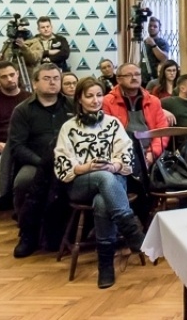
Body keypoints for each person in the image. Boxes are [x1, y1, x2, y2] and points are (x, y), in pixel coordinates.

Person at [54, 77, 145, 289]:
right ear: (79, 99)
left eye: (98, 95)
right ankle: (132, 231)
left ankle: (106, 265)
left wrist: (113, 166)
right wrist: (85, 168)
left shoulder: (113, 124)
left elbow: (127, 156)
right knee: (103, 178)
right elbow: (61, 164)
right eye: (89, 96)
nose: (95, 100)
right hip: (80, 183)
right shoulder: (68, 127)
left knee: (103, 200)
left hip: (113, 180)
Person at [8, 63, 73, 258]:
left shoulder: (72, 105)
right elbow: (17, 146)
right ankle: (27, 234)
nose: (52, 82)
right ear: (35, 83)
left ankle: (62, 231)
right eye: (47, 78)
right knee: (23, 182)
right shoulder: (22, 110)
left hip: (69, 161)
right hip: (35, 161)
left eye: (56, 78)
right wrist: (42, 163)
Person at [102, 63, 168, 168]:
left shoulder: (154, 101)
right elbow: (107, 134)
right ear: (118, 79)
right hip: (122, 153)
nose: (134, 78)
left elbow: (163, 132)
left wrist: (152, 153)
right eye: (128, 75)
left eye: (137, 74)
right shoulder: (107, 101)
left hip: (151, 151)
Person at [143, 17, 169, 81]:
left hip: (155, 77)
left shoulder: (162, 42)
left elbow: (164, 58)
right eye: (150, 26)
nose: (152, 28)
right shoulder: (145, 42)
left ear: (159, 29)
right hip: (143, 77)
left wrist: (153, 45)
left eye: (155, 26)